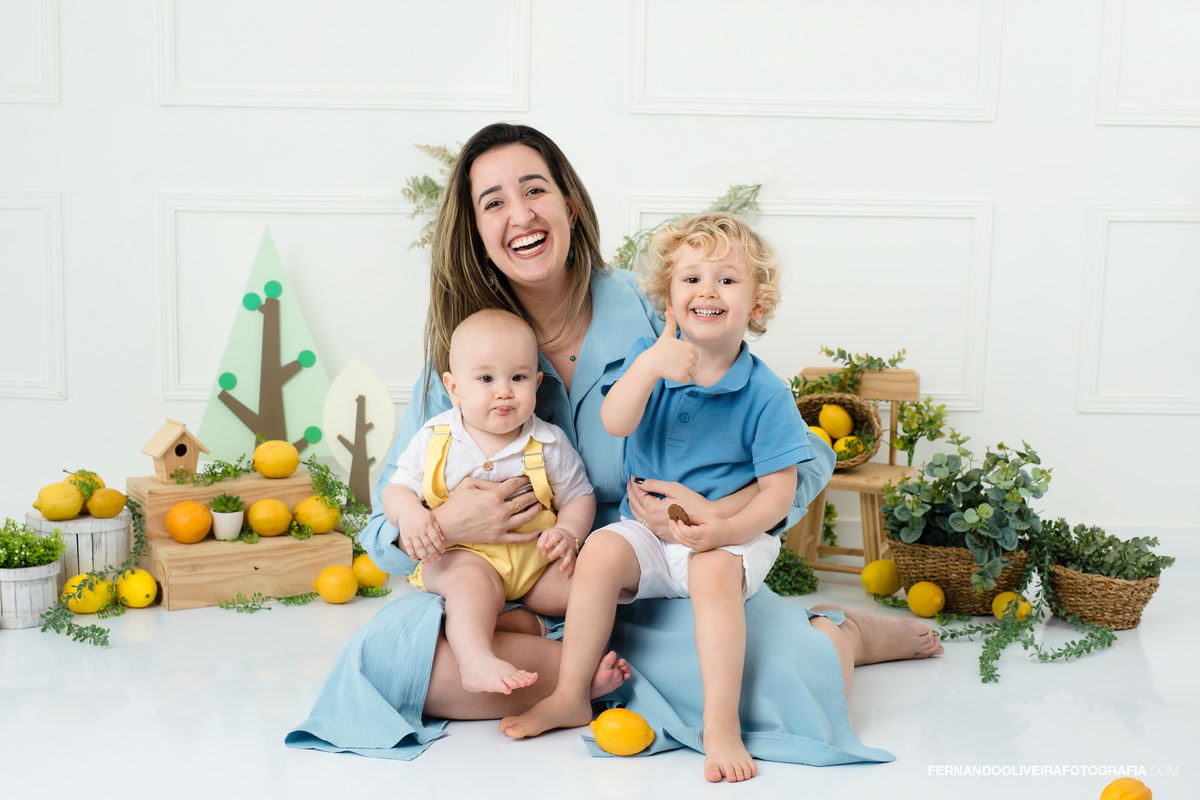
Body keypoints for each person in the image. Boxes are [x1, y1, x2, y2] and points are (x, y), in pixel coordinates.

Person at [287, 121, 942, 770]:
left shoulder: (660, 312)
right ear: (477, 233)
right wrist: (444, 523)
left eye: (534, 190)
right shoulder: (464, 355)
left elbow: (801, 459)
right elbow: (383, 531)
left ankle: (839, 631)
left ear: (568, 203)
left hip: (653, 587)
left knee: (783, 676)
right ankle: (588, 682)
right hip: (509, 600)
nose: (520, 215)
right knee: (390, 661)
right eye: (494, 203)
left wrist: (715, 516)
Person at [499, 212, 805, 783]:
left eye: (727, 280)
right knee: (598, 555)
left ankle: (721, 725)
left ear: (756, 307)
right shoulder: (649, 357)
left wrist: (723, 530)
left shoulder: (765, 393)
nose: (707, 290)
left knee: (713, 574)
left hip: (726, 540)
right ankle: (570, 693)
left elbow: (778, 495)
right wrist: (648, 367)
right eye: (691, 279)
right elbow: (615, 422)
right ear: (668, 298)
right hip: (648, 533)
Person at [381, 308, 596, 695]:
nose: (504, 391)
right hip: (463, 556)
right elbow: (396, 490)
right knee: (471, 589)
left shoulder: (548, 442)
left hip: (534, 561)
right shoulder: (436, 438)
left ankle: (552, 638)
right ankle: (475, 659)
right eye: (485, 378)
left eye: (518, 377)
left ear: (537, 381)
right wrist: (411, 514)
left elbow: (579, 496)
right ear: (454, 388)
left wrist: (568, 532)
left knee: (591, 589)